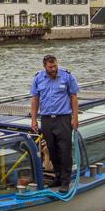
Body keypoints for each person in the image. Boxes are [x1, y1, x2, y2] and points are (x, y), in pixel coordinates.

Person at [29, 53, 80, 191]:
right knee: (52, 149)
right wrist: (34, 119)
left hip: (63, 118)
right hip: (46, 119)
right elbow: (35, 99)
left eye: (55, 66)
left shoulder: (67, 76)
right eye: (51, 67)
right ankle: (57, 177)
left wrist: (75, 118)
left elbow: (74, 97)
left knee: (65, 151)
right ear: (45, 67)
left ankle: (65, 181)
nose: (54, 69)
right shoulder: (38, 78)